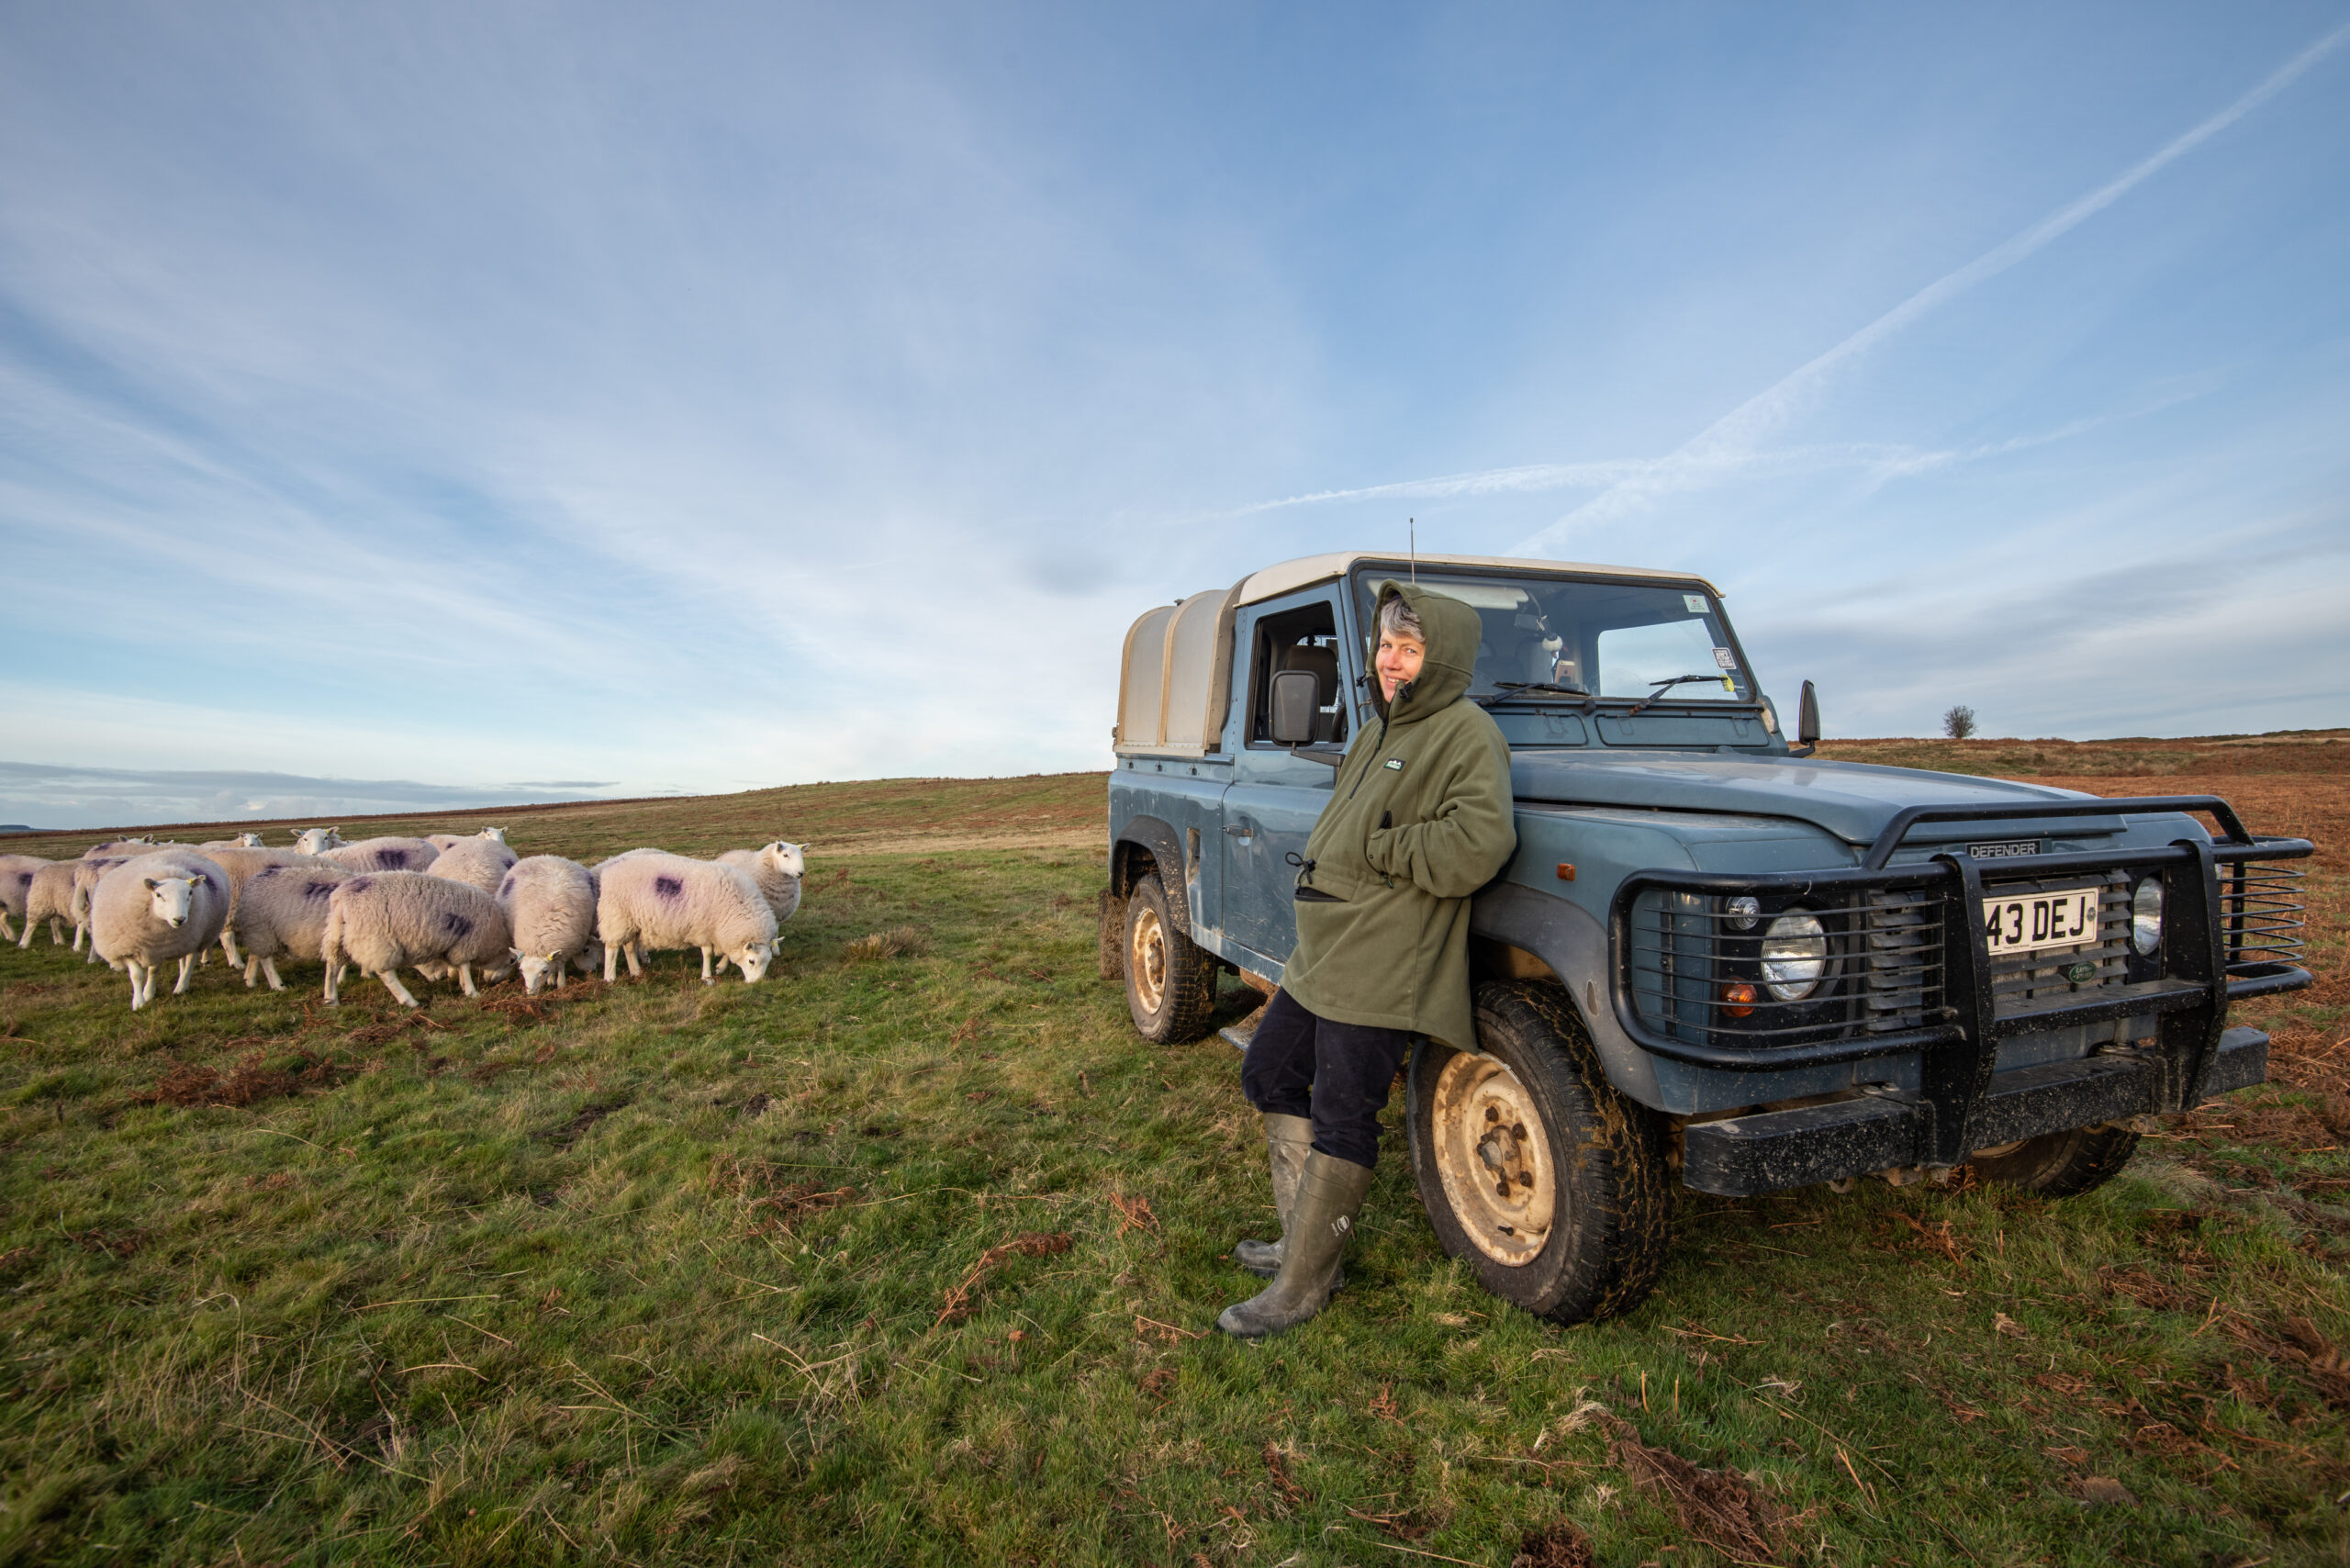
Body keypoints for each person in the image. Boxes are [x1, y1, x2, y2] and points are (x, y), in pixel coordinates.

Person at [1219, 579, 1516, 1338]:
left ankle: (1302, 1288)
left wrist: (1385, 849)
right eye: (1385, 645)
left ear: (1441, 658)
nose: (1390, 661)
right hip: (1328, 948)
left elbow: (1480, 844)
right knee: (1270, 1071)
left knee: (1343, 1113)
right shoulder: (1378, 730)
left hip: (1386, 952)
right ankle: (1302, 1247)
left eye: (1408, 649)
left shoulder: (1465, 732)